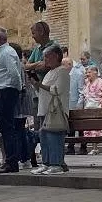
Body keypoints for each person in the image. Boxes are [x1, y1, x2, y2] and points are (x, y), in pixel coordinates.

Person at [0, 27, 26, 173]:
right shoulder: (2, 52)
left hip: (5, 92)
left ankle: (11, 162)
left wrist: (16, 89)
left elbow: (14, 73)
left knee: (7, 128)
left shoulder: (7, 53)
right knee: (5, 128)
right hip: (1, 92)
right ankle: (10, 161)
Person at [31, 47, 71, 175]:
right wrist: (36, 85)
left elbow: (57, 89)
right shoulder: (49, 73)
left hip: (55, 111)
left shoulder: (62, 72)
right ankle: (46, 162)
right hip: (44, 109)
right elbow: (42, 91)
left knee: (54, 138)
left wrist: (40, 85)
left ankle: (56, 163)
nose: (45, 60)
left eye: (47, 56)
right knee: (44, 138)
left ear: (56, 56)